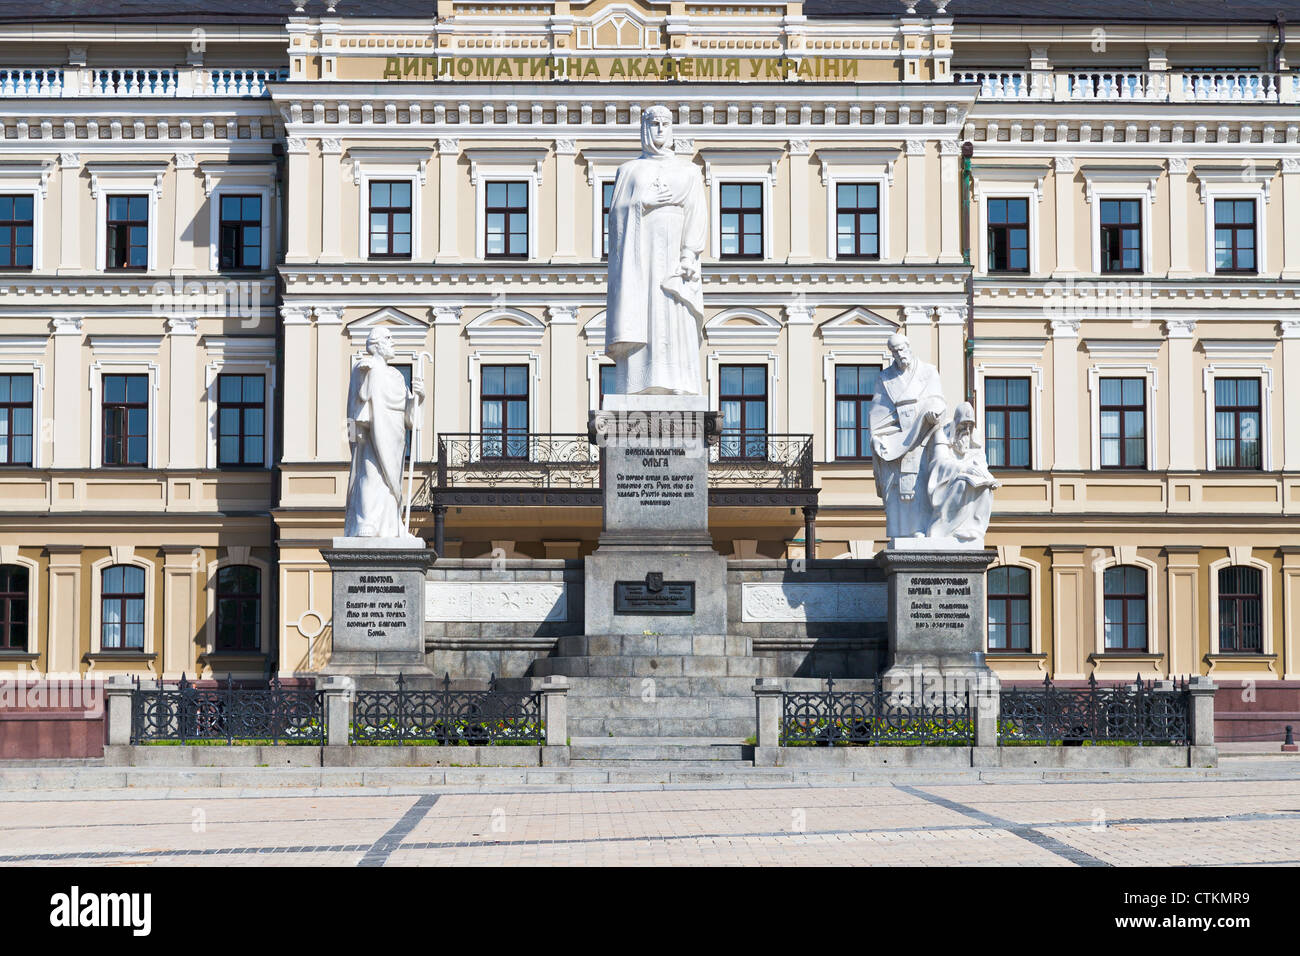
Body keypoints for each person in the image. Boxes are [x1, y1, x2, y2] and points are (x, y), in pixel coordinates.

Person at [604, 104, 707, 395]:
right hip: (641, 260)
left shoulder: (688, 171)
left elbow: (697, 212)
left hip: (674, 259)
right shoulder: (629, 170)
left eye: (665, 124)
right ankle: (639, 384)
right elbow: (616, 217)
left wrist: (689, 253)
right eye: (653, 124)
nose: (659, 130)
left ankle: (678, 383)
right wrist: (641, 201)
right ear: (644, 129)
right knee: (644, 312)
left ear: (672, 128)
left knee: (674, 312)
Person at [343, 327, 424, 538]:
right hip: (371, 431)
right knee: (371, 474)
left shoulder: (397, 376)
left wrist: (418, 398)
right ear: (376, 344)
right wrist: (365, 375)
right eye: (389, 338)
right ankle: (366, 522)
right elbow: (357, 399)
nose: (393, 342)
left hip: (394, 435)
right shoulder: (363, 367)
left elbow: (409, 418)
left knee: (390, 483)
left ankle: (391, 526)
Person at [867, 332, 948, 539]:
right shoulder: (885, 378)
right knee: (901, 489)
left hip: (925, 436)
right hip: (898, 439)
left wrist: (933, 412)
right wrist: (879, 438)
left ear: (909, 347)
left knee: (920, 485)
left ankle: (922, 529)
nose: (899, 354)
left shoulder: (928, 372)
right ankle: (904, 532)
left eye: (901, 349)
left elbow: (938, 399)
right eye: (894, 352)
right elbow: (879, 413)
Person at [928, 401, 1000, 544]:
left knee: (985, 489)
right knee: (962, 483)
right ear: (956, 424)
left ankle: (974, 529)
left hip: (969, 482)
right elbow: (939, 463)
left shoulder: (975, 442)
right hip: (945, 486)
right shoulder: (943, 435)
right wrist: (964, 469)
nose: (967, 430)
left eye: (970, 426)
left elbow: (981, 465)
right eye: (963, 425)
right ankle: (948, 528)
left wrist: (988, 478)